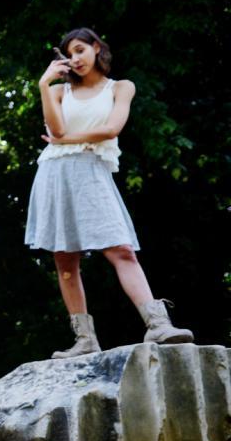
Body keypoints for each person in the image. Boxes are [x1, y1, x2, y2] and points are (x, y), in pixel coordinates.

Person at [25, 27, 193, 358]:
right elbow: (56, 128)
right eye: (69, 54)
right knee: (65, 260)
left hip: (92, 170)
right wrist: (44, 84)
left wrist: (66, 140)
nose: (75, 59)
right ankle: (85, 339)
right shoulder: (58, 91)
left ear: (96, 48)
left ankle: (158, 325)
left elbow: (111, 129)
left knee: (121, 249)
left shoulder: (120, 87)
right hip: (55, 173)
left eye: (80, 50)